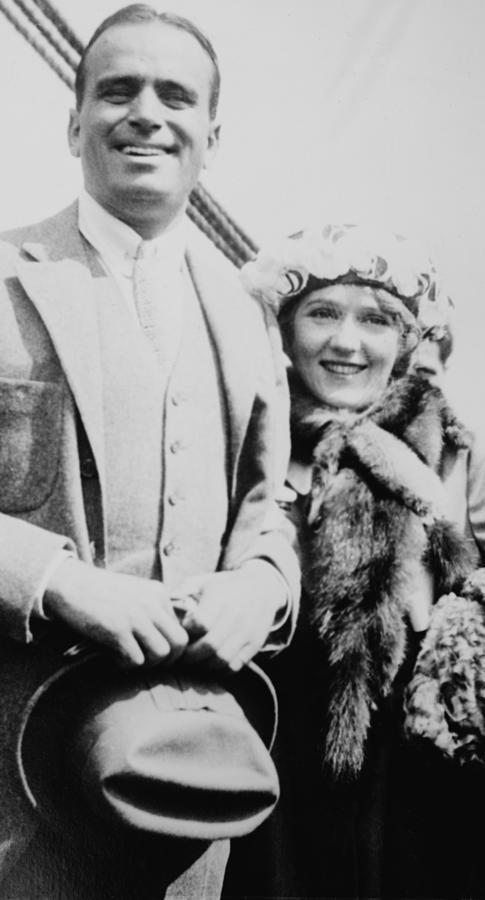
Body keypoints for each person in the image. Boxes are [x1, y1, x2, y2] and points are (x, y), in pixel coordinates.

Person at [0, 5, 299, 899]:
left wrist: (265, 586)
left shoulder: (244, 313)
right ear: (73, 119)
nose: (146, 113)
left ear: (212, 132)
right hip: (12, 787)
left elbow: (266, 509)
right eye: (117, 89)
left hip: (182, 793)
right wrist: (57, 581)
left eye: (176, 95)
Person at [223, 224, 485, 900]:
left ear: (404, 342)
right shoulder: (248, 439)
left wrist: (469, 624)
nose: (347, 341)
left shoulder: (455, 452)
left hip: (412, 793)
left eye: (375, 320)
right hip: (264, 773)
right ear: (283, 327)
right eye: (322, 313)